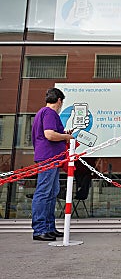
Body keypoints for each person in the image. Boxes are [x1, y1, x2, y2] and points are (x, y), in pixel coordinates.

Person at [31, 88, 74, 241]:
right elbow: (49, 134)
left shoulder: (41, 113)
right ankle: (40, 229)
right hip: (49, 158)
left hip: (50, 157)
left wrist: (64, 135)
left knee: (51, 192)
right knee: (44, 192)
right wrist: (66, 137)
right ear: (60, 101)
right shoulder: (50, 113)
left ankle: (49, 227)